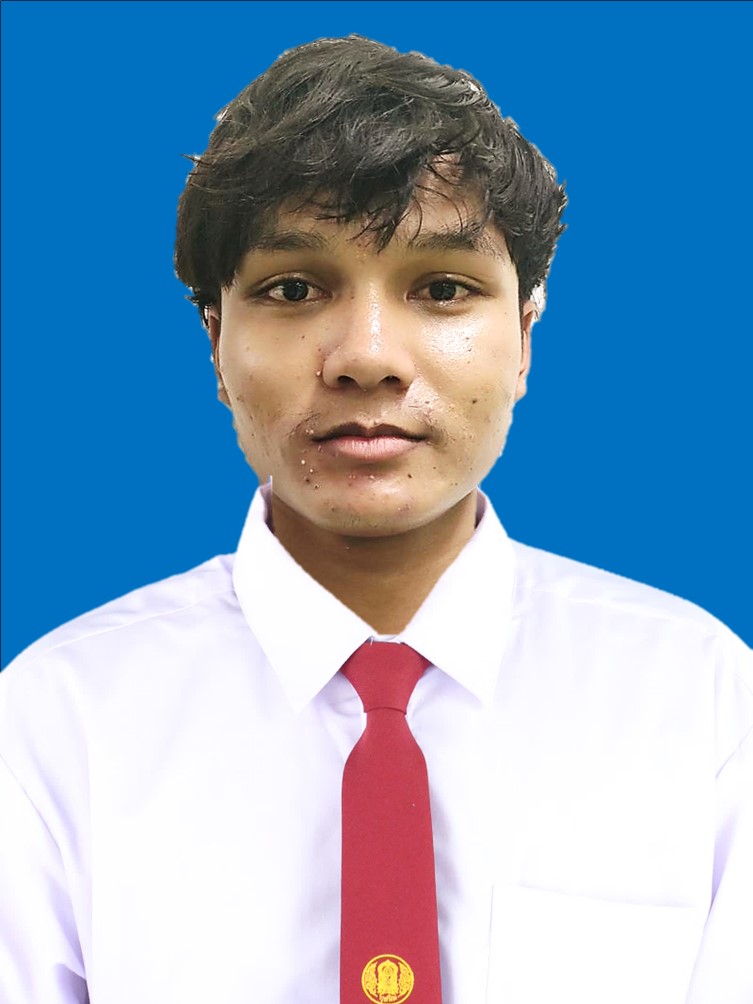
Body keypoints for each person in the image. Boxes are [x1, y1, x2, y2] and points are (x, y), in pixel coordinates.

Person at [1, 34, 750, 1004]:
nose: (367, 356)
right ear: (216, 340)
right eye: (293, 289)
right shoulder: (53, 724)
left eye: (441, 289)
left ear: (524, 337)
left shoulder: (705, 705)